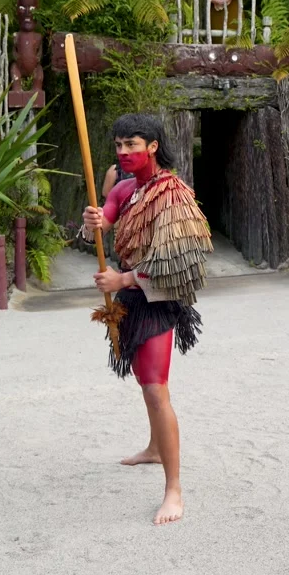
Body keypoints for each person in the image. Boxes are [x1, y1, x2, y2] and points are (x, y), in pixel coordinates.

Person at [81, 113, 213, 525]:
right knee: (145, 381)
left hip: (158, 298)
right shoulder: (124, 188)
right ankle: (156, 448)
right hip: (131, 297)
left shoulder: (172, 194)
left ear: (153, 146)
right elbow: (105, 220)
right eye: (119, 145)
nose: (123, 152)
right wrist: (94, 225)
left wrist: (124, 277)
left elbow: (179, 261)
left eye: (132, 145)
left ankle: (174, 490)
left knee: (156, 389)